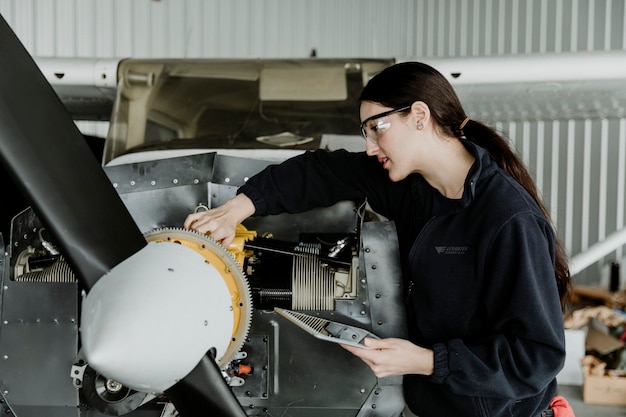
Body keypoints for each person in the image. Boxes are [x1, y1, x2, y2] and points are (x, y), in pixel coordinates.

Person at [184, 61, 573, 417]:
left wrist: (425, 361)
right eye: (365, 132)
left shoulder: (508, 220)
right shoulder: (411, 188)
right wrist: (240, 206)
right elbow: (320, 171)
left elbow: (535, 359)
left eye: (377, 128)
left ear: (419, 116)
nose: (370, 147)